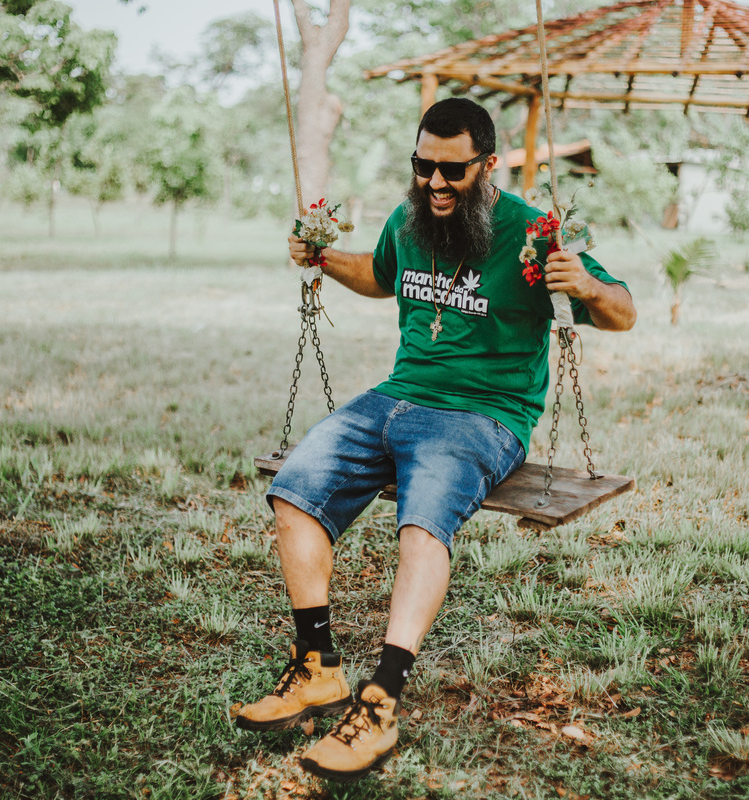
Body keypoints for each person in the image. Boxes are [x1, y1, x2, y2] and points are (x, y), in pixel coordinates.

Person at [236, 97, 636, 782]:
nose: (436, 183)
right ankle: (317, 666)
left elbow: (624, 312)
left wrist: (589, 290)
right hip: (393, 397)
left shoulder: (535, 233)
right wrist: (324, 258)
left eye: (453, 170)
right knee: (294, 492)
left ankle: (380, 702)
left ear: (489, 164)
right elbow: (381, 276)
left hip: (484, 416)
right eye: (424, 167)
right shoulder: (409, 219)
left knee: (422, 524)